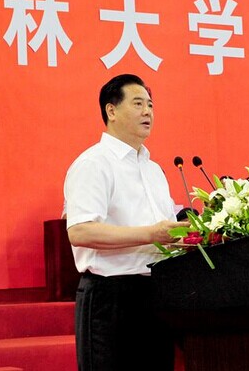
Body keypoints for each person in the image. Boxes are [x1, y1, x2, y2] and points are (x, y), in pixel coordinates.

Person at [63, 74, 189, 370]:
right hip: (111, 296)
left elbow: (166, 233)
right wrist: (152, 234)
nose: (148, 112)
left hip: (156, 294)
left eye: (151, 105)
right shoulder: (93, 163)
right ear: (111, 110)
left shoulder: (154, 170)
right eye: (138, 104)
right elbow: (80, 231)